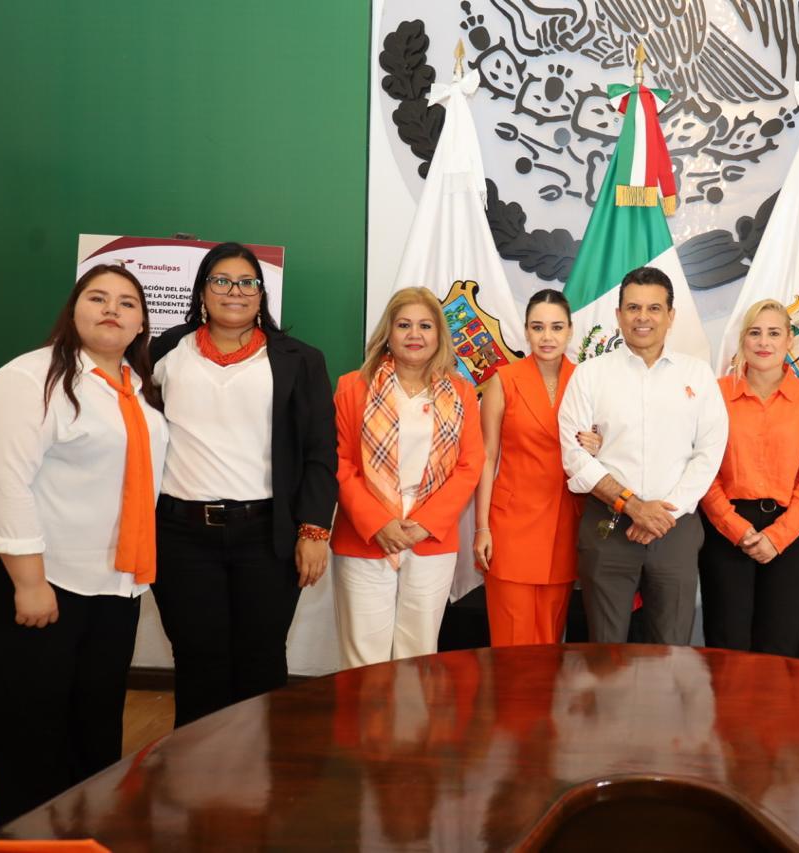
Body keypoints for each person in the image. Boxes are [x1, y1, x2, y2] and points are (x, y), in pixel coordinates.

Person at [0, 265, 168, 825]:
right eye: (97, 297)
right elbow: (4, 480)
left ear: (142, 324)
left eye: (127, 302)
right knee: (30, 729)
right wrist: (29, 582)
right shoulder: (31, 378)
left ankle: (84, 832)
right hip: (37, 579)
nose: (112, 309)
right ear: (74, 309)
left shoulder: (137, 389)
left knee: (94, 725)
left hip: (113, 584)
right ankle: (29, 838)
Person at [151, 242, 336, 726]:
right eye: (221, 281)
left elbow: (320, 452)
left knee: (262, 659)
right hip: (181, 536)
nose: (234, 291)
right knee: (197, 659)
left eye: (247, 282)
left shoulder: (300, 359)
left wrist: (314, 530)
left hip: (266, 536)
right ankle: (196, 768)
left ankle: (257, 770)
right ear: (202, 291)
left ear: (261, 293)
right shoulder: (166, 350)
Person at [558, 266, 728, 644]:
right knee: (606, 652)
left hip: (675, 528)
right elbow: (574, 456)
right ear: (618, 315)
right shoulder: (589, 375)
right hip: (609, 526)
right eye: (633, 308)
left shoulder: (697, 375)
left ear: (671, 315)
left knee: (671, 648)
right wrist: (633, 506)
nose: (643, 317)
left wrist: (662, 514)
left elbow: (709, 452)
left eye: (654, 308)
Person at [332, 286, 485, 665]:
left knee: (418, 657)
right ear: (388, 331)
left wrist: (424, 524)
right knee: (364, 660)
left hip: (430, 539)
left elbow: (471, 465)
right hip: (366, 538)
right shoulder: (352, 387)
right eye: (404, 325)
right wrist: (378, 523)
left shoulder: (461, 392)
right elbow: (339, 462)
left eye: (425, 326)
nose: (414, 334)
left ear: (439, 335)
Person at [698, 299, 799, 655]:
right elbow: (703, 468)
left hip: (791, 534)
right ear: (742, 340)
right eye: (755, 333)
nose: (763, 342)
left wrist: (777, 536)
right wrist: (735, 529)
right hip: (726, 531)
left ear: (790, 340)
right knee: (727, 646)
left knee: (779, 647)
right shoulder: (716, 393)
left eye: (774, 333)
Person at [472, 289, 600, 646]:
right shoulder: (503, 380)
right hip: (511, 526)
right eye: (538, 327)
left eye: (556, 327)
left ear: (570, 331)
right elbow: (487, 457)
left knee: (549, 643)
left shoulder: (587, 380)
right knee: (510, 644)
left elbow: (612, 449)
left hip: (565, 522)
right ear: (526, 331)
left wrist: (598, 446)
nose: (547, 337)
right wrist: (481, 528)